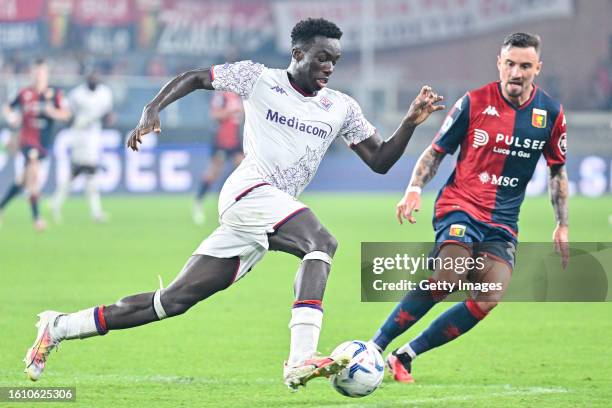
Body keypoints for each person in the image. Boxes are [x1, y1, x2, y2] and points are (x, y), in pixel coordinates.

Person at [24, 18, 443, 389]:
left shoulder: (342, 108)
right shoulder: (257, 78)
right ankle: (299, 360)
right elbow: (195, 77)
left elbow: (380, 161)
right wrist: (152, 108)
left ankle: (59, 326)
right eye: (321, 58)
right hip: (248, 191)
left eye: (335, 60)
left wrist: (409, 122)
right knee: (322, 243)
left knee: (171, 301)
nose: (329, 68)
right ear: (297, 54)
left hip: (267, 215)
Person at [370, 32, 569, 383]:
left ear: (538, 68)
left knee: (488, 299)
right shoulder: (474, 102)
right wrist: (414, 188)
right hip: (460, 206)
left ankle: (405, 355)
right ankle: (374, 347)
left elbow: (557, 170)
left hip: (503, 221)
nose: (516, 73)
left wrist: (562, 224)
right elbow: (436, 151)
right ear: (499, 63)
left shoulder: (550, 113)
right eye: (510, 64)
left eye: (525, 66)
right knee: (449, 275)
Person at [0, 58, 70, 231]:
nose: (38, 76)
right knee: (33, 172)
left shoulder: (55, 94)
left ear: (46, 74)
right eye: (36, 72)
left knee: (22, 180)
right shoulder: (25, 94)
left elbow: (66, 115)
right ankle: (37, 218)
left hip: (44, 143)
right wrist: (11, 117)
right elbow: (7, 108)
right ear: (32, 73)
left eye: (41, 72)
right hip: (27, 140)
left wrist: (51, 112)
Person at [50, 69, 114, 223]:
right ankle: (95, 212)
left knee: (79, 172)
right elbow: (67, 113)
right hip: (80, 135)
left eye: (96, 77)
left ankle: (56, 203)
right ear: (87, 79)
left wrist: (108, 118)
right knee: (88, 171)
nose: (94, 79)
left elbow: (107, 114)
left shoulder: (105, 93)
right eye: (92, 77)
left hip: (94, 135)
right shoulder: (77, 94)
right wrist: (75, 121)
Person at [192, 90, 244, 225]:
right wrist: (230, 111)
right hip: (222, 140)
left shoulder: (239, 94)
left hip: (236, 140)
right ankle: (198, 203)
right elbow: (214, 114)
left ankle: (230, 202)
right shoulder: (221, 95)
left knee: (243, 169)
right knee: (213, 173)